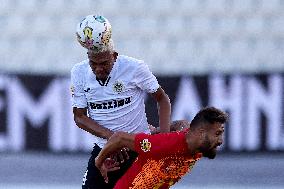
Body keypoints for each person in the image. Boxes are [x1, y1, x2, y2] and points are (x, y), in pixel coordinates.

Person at [71, 15, 171, 189]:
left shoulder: (134, 68)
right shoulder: (79, 72)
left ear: (114, 56)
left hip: (140, 149)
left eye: (103, 63)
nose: (98, 68)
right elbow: (79, 117)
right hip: (106, 152)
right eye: (93, 63)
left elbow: (162, 99)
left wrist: (163, 139)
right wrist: (114, 140)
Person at [95, 107, 228, 188]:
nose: (220, 141)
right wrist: (99, 161)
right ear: (201, 132)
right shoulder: (164, 145)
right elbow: (119, 138)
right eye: (217, 134)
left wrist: (155, 131)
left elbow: (182, 124)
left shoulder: (196, 142)